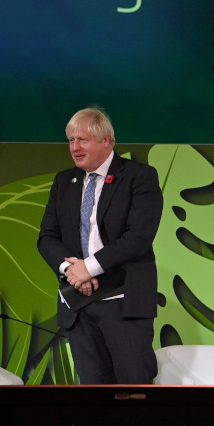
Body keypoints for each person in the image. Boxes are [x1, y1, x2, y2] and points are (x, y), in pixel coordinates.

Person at [37, 107, 162, 384]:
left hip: (123, 300)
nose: (74, 147)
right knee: (94, 395)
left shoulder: (139, 177)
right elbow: (47, 237)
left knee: (134, 388)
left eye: (82, 140)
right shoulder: (64, 181)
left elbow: (139, 237)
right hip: (78, 303)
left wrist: (89, 269)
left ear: (106, 140)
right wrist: (72, 270)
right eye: (70, 140)